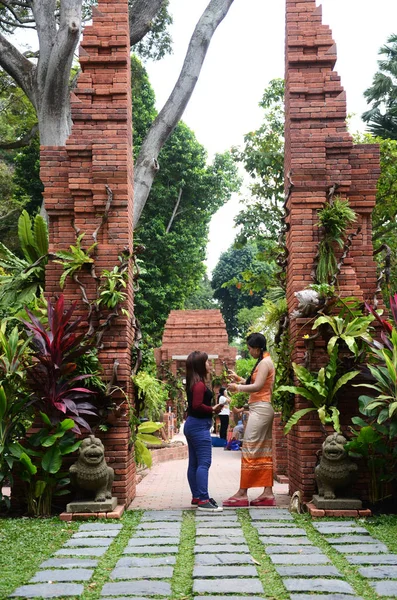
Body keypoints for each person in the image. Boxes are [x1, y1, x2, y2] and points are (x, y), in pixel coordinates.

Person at [223, 332, 276, 507]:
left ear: (258, 348)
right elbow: (254, 382)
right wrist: (238, 379)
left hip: (260, 408)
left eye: (251, 348)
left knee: (249, 449)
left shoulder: (265, 363)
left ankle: (242, 493)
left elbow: (258, 386)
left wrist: (237, 387)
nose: (250, 351)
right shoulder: (263, 361)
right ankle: (267, 493)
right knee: (263, 450)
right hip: (261, 408)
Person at [184, 350, 224, 512]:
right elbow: (197, 406)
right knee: (204, 462)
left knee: (194, 463)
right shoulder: (199, 385)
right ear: (200, 365)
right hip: (198, 427)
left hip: (192, 425)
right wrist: (212, 409)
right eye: (207, 362)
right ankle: (203, 499)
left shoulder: (194, 382)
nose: (209, 364)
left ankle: (197, 496)